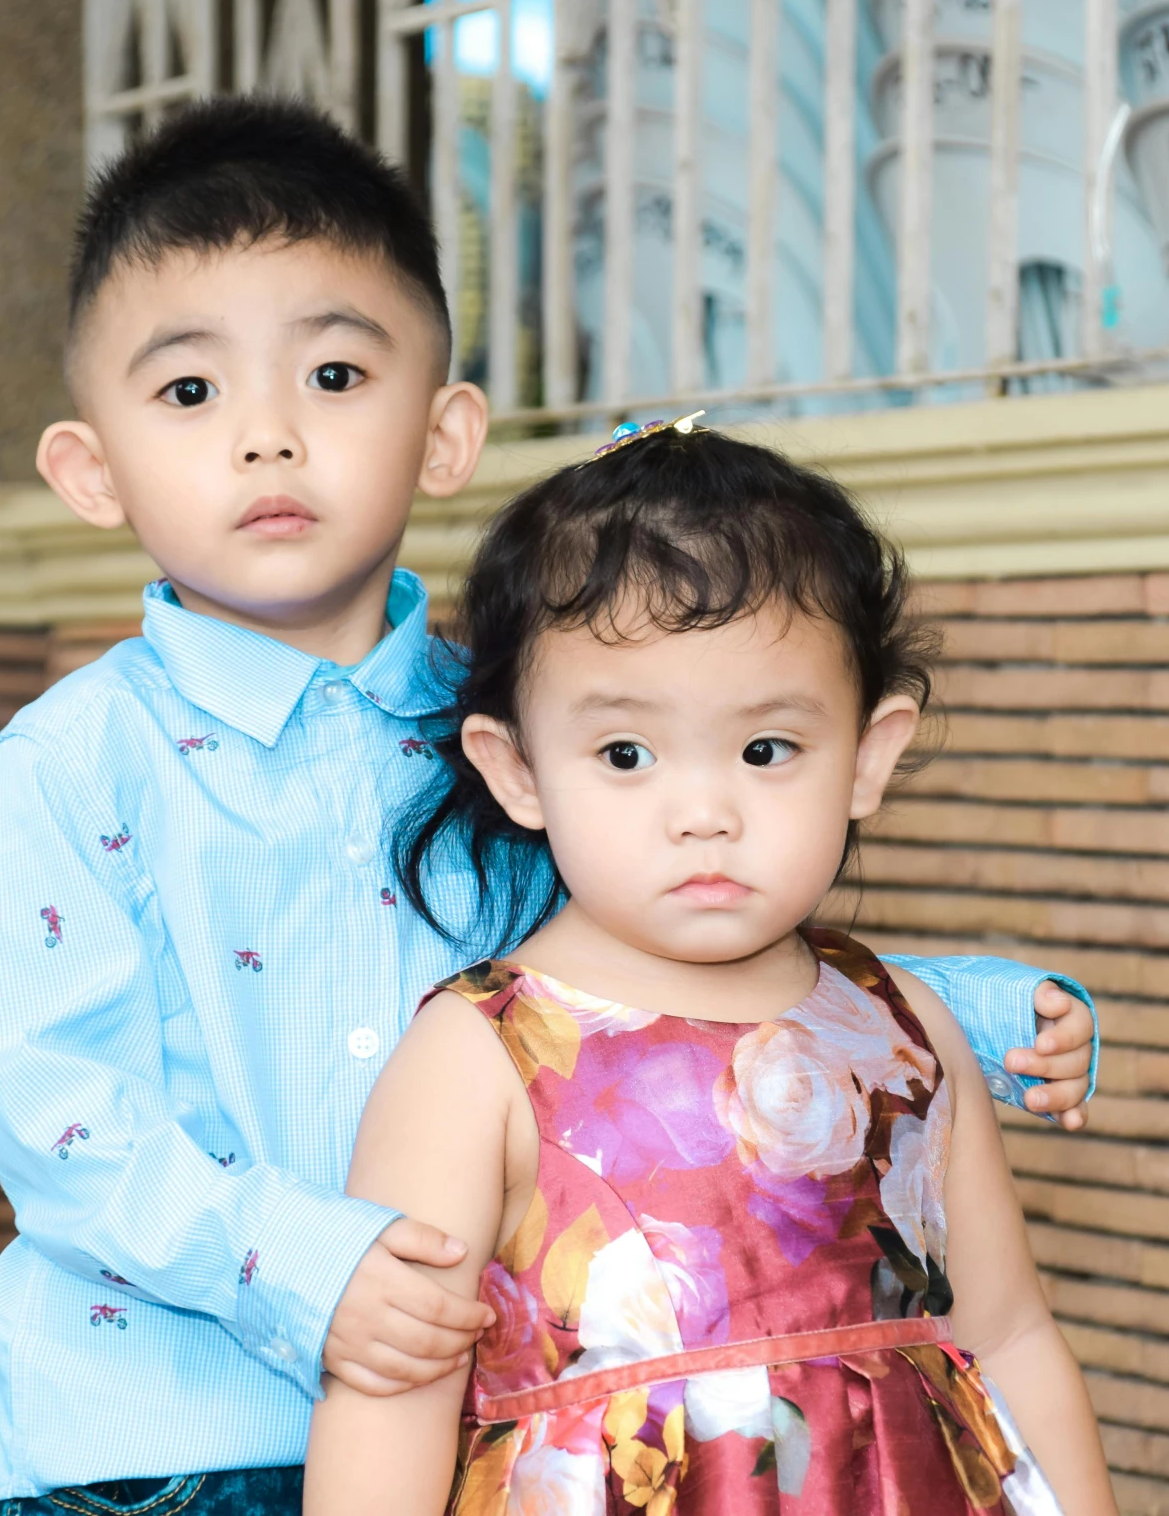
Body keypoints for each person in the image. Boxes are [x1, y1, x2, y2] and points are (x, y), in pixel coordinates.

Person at [0, 94, 1101, 1516]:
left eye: (330, 374)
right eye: (190, 392)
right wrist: (308, 1269)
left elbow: (645, 955)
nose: (265, 437)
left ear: (443, 435)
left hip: (469, 1412)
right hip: (163, 1432)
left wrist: (956, 1011)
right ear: (90, 467)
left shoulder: (533, 723)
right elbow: (56, 1110)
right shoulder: (77, 757)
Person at [301, 423, 1117, 1515]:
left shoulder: (903, 1025)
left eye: (766, 749)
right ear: (519, 769)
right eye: (626, 755)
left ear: (867, 756)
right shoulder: (477, 1054)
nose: (704, 813)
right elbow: (387, 1396)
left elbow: (1007, 1328)